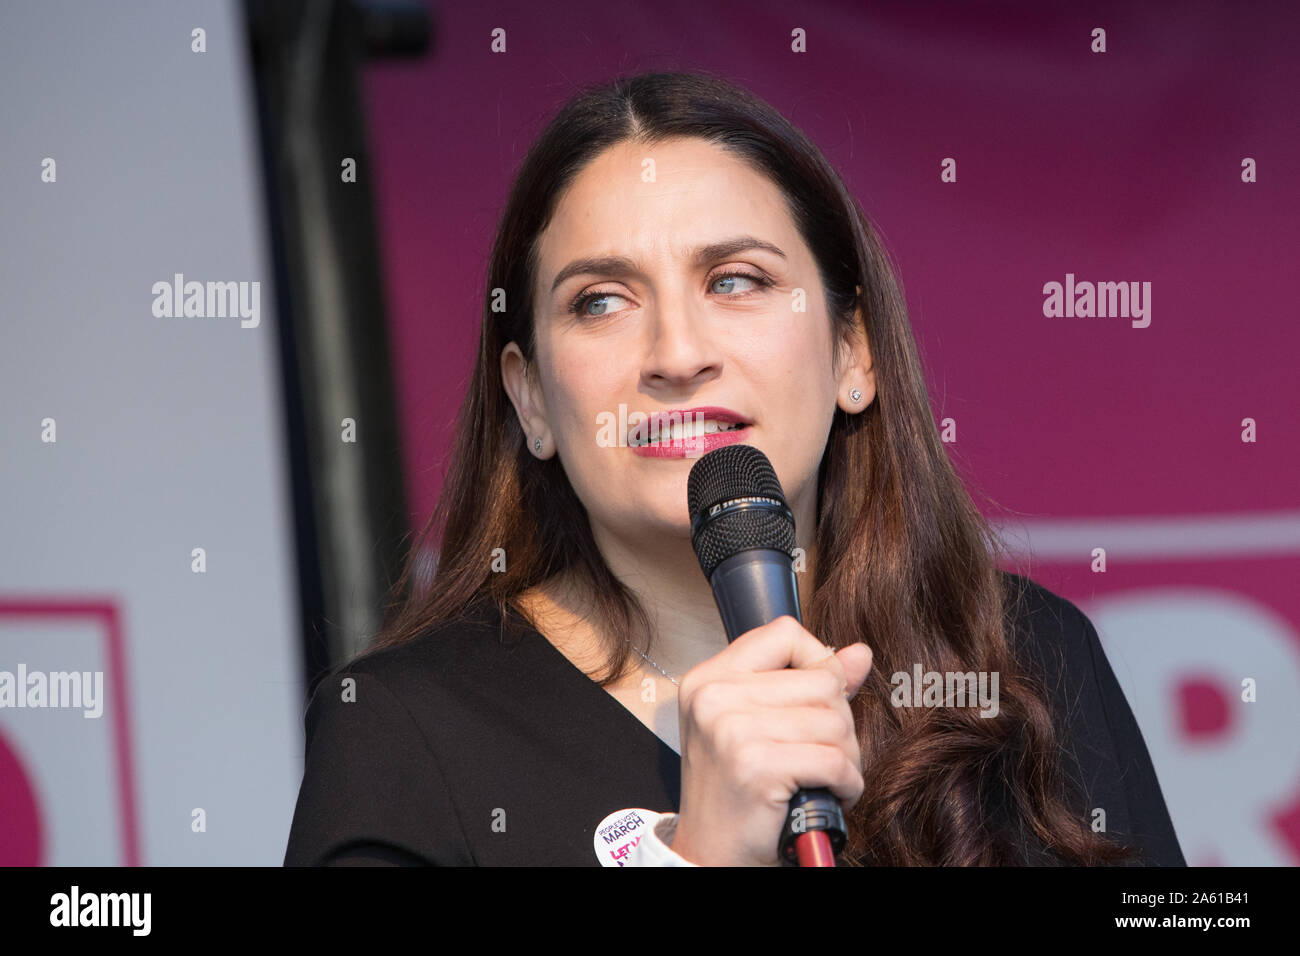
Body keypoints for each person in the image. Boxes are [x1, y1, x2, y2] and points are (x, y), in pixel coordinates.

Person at [283, 70, 1184, 867]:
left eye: (737, 281)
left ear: (852, 353)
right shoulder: (403, 734)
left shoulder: (1027, 657)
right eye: (601, 301)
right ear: (530, 401)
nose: (677, 352)